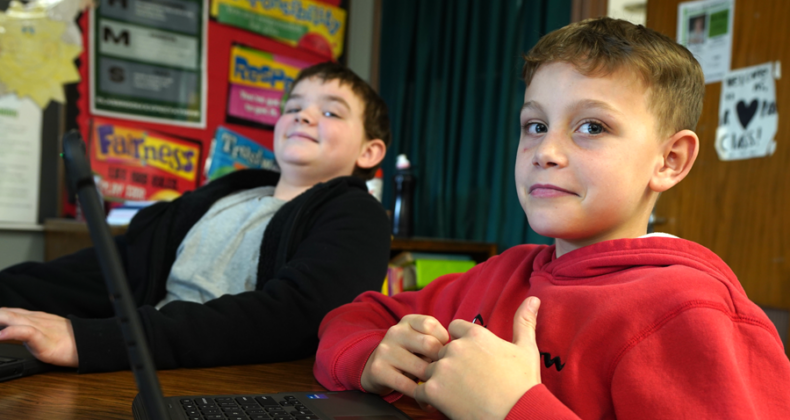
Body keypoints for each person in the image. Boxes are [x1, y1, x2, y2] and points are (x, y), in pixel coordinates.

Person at [313, 18, 790, 419]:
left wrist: (514, 407)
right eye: (535, 126)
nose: (546, 151)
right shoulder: (501, 274)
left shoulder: (691, 313)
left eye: (592, 127)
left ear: (669, 161)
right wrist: (372, 356)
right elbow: (358, 316)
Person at [0, 62, 393, 374]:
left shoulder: (358, 214)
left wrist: (98, 339)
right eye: (293, 107)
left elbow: (294, 316)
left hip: (226, 379)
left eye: (330, 111)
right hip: (140, 359)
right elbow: (108, 269)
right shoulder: (218, 197)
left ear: (370, 152)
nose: (303, 115)